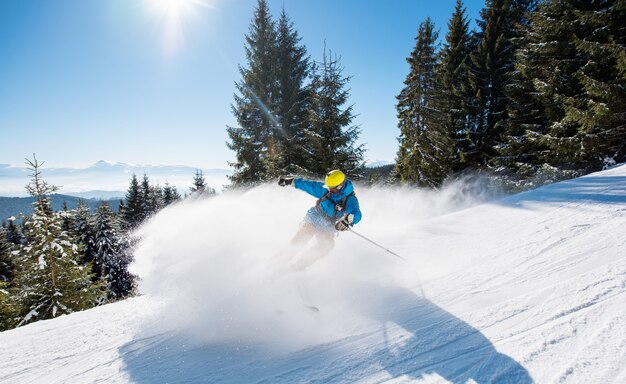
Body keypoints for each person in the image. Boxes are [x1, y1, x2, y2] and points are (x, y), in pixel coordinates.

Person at [277, 169, 362, 270]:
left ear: (340, 186)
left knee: (326, 246)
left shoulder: (350, 199)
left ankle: (298, 266)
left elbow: (356, 214)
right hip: (312, 219)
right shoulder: (326, 190)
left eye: (332, 189)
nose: (329, 190)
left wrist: (347, 221)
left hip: (327, 228)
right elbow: (309, 185)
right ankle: (277, 263)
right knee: (300, 240)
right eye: (328, 187)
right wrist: (291, 181)